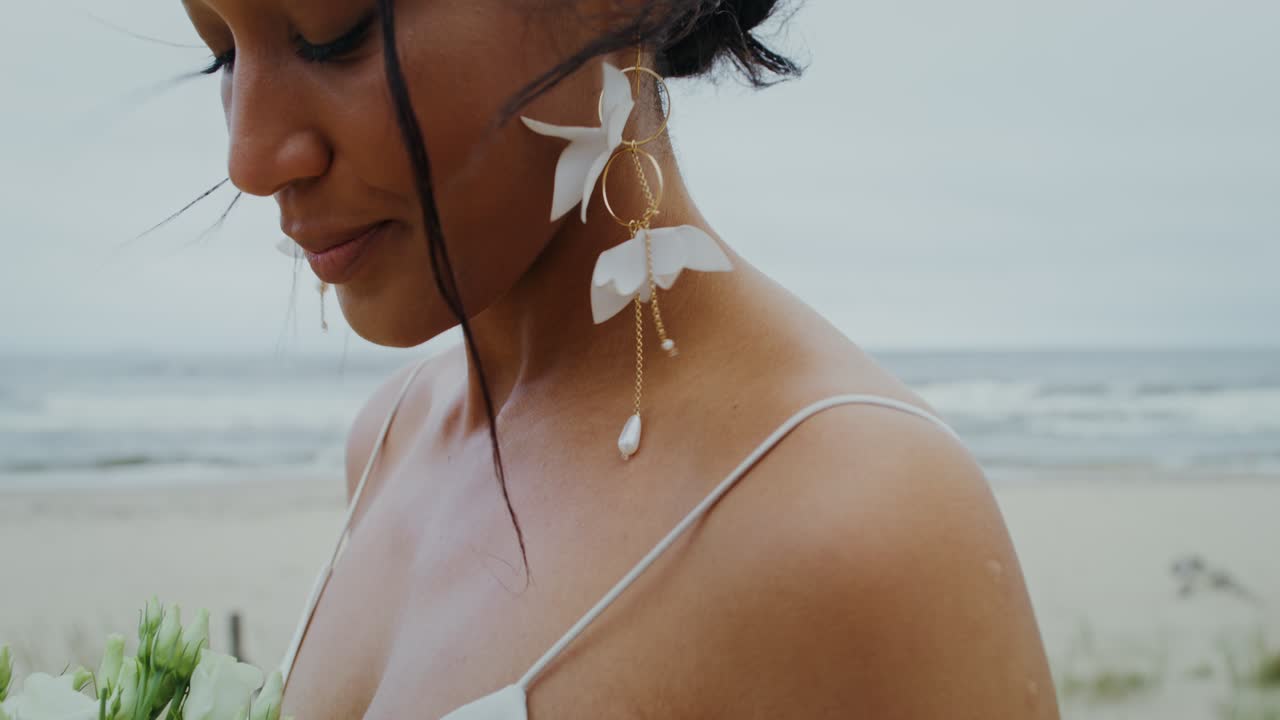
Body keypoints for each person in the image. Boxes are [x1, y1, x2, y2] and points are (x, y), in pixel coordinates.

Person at [180, 0, 1060, 717]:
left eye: (336, 35)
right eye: (223, 54)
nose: (250, 158)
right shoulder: (388, 440)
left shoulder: (854, 519)